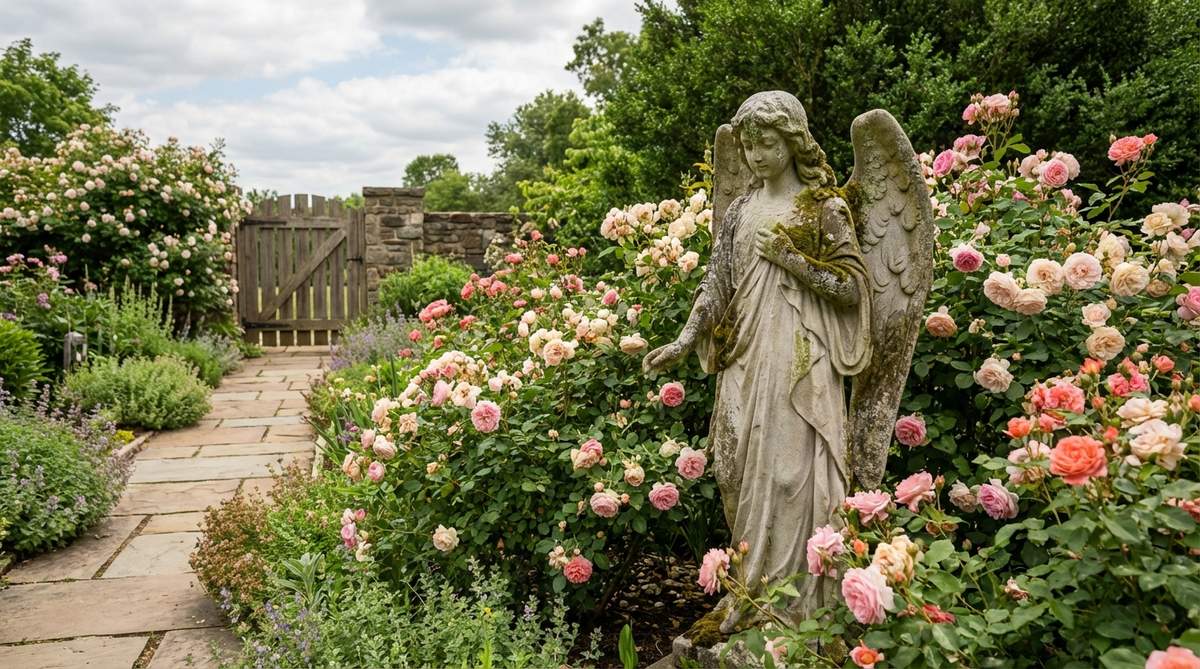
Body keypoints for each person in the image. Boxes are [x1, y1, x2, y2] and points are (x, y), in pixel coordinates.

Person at [643, 91, 872, 629]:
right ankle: (751, 590)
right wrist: (684, 339)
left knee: (791, 475)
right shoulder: (743, 209)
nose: (756, 156)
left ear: (793, 142)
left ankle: (799, 608)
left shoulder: (824, 207)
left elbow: (853, 290)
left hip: (799, 358)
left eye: (767, 144)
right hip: (743, 356)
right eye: (748, 147)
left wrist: (791, 260)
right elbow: (717, 283)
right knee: (733, 466)